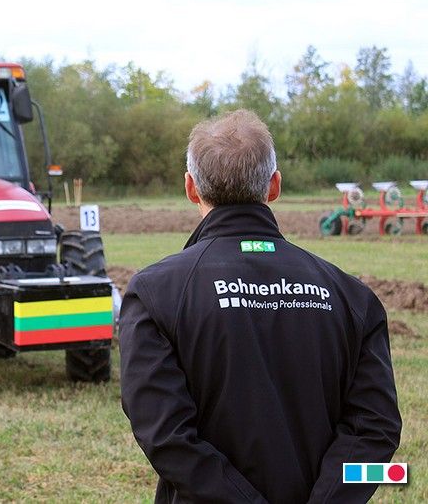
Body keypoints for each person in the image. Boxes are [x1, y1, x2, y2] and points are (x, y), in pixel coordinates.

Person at [119, 109, 401, 503]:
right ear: (274, 185)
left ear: (190, 188)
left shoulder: (154, 294)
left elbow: (166, 437)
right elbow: (377, 433)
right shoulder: (351, 296)